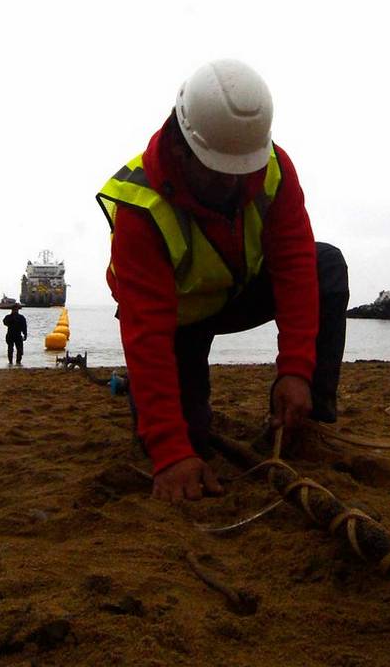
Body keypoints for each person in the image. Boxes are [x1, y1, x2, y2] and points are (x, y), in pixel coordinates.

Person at [96, 58, 348, 503]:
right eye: (217, 169)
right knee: (185, 441)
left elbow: (294, 269)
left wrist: (296, 371)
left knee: (323, 265)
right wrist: (171, 454)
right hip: (176, 321)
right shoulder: (141, 207)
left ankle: (307, 421)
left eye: (241, 168)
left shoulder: (272, 168)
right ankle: (172, 429)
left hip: (235, 292)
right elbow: (147, 336)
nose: (233, 181)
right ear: (183, 145)